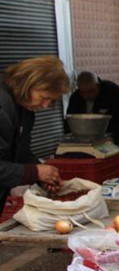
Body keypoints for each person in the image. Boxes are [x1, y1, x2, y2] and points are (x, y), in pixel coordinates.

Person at [1, 56, 69, 211]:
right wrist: (34, 172)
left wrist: (42, 174)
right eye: (44, 98)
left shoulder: (25, 108)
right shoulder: (3, 106)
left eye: (51, 101)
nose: (45, 106)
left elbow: (21, 152)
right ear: (28, 84)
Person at [66, 72, 119, 150]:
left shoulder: (112, 91)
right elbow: (70, 122)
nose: (87, 95)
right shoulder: (75, 98)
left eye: (91, 91)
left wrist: (114, 138)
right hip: (87, 139)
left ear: (98, 85)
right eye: (83, 92)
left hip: (117, 135)